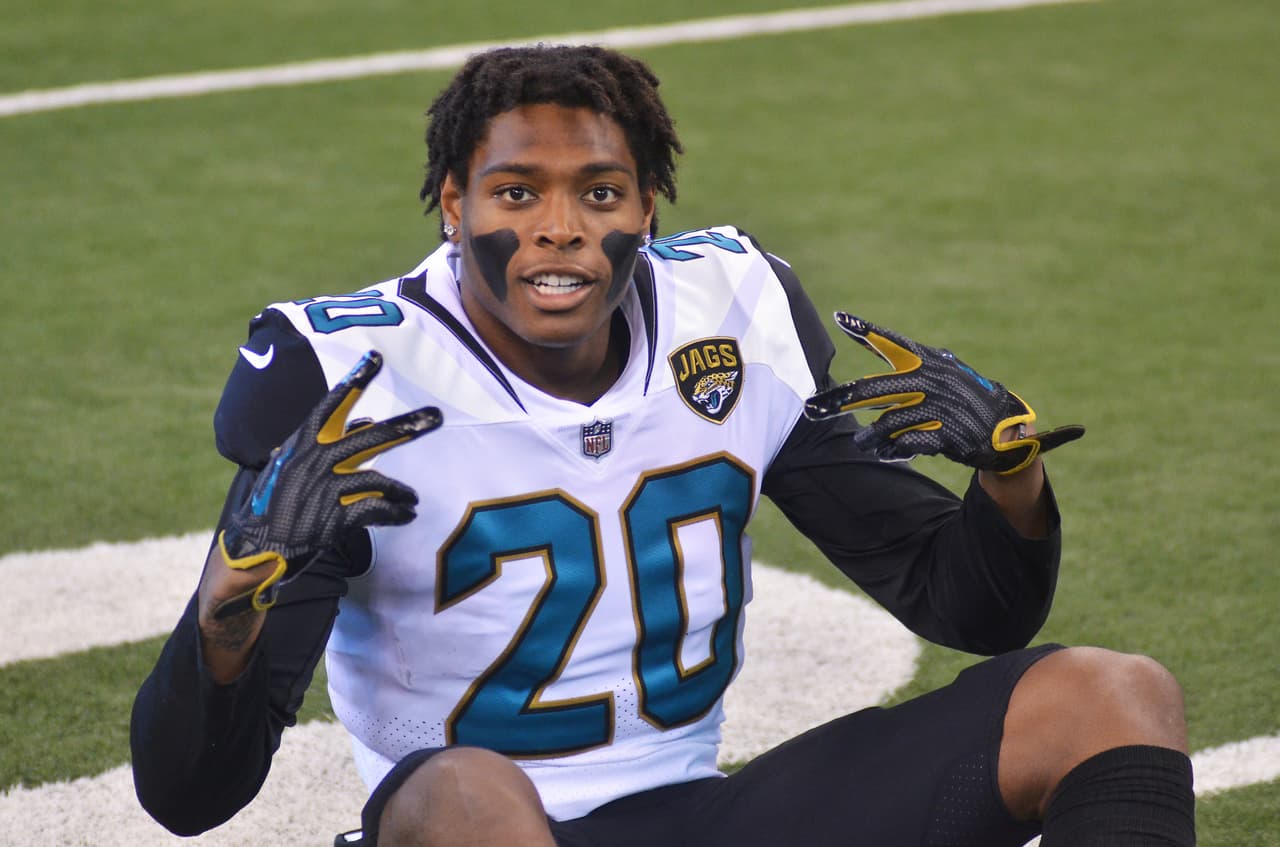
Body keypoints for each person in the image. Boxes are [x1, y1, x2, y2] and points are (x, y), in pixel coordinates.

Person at [131, 44, 1195, 846]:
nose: (559, 227)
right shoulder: (350, 382)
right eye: (516, 193)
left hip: (691, 811)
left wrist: (1009, 484)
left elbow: (966, 605)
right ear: (452, 205)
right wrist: (233, 592)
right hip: (460, 824)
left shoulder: (728, 313)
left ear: (646, 204)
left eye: (598, 192)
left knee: (1109, 694)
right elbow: (188, 793)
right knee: (472, 790)